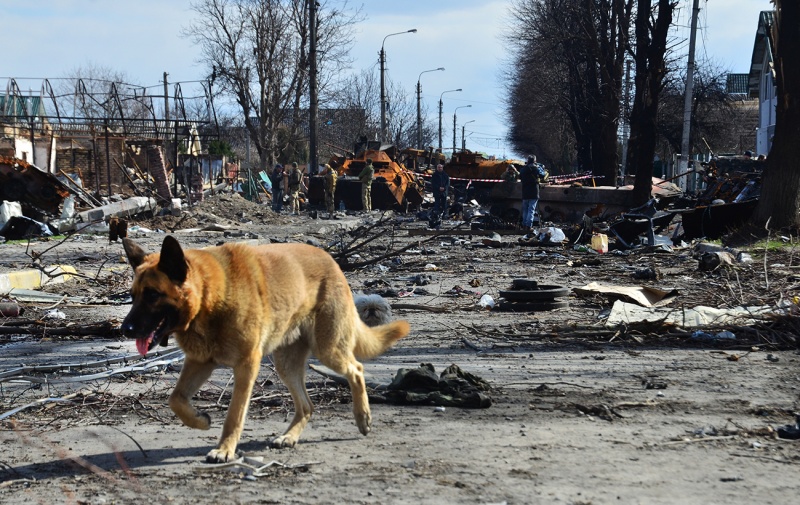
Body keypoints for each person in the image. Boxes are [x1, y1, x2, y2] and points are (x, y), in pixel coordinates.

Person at [520, 155, 546, 230]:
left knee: (525, 209)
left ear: (527, 161)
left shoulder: (523, 169)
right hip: (534, 191)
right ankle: (529, 226)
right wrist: (540, 167)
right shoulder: (536, 168)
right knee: (531, 210)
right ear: (535, 161)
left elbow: (520, 176)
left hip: (525, 191)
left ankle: (524, 225)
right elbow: (543, 175)